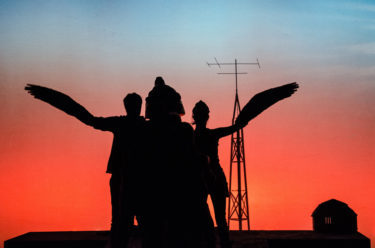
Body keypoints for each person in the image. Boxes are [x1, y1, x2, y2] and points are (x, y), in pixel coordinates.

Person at [25, 85, 145, 248]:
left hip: (128, 178)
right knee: (131, 220)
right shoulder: (144, 126)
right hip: (136, 178)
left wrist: (57, 99)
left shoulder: (122, 123)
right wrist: (57, 99)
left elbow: (89, 119)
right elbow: (90, 119)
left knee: (121, 220)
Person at [192, 82, 299, 248]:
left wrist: (244, 118)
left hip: (200, 178)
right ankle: (222, 241)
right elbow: (236, 127)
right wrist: (246, 117)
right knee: (218, 215)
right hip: (212, 178)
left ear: (195, 117)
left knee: (203, 213)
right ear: (206, 117)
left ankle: (213, 241)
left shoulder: (190, 136)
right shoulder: (211, 134)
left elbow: (235, 127)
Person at [140, 77, 215, 248]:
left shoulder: (145, 131)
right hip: (181, 193)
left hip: (154, 194)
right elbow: (194, 158)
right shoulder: (183, 130)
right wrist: (206, 161)